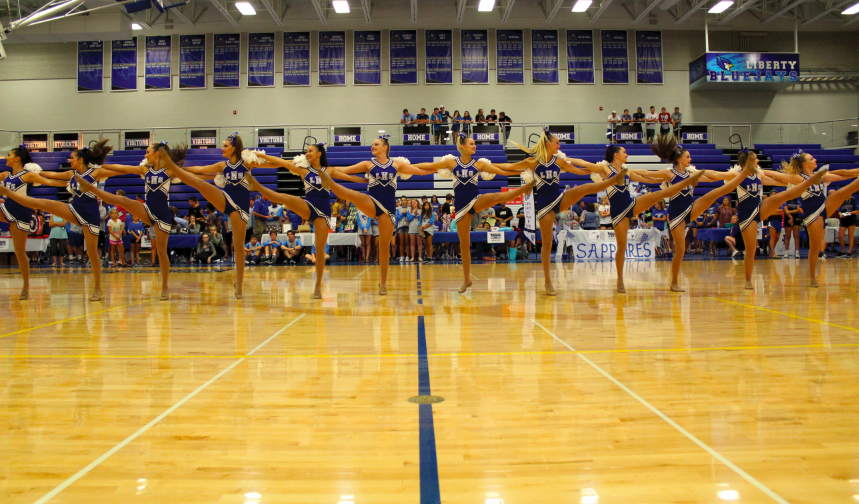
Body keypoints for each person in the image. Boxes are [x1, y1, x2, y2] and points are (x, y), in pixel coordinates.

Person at [493, 128, 637, 295]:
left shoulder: (559, 161)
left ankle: (609, 181)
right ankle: (547, 280)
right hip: (545, 205)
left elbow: (577, 170)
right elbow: (510, 166)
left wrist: (597, 171)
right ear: (548, 144)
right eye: (557, 143)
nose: (559, 145)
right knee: (547, 243)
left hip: (559, 198)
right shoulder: (534, 162)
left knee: (584, 188)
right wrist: (489, 165)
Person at [233, 143, 364, 299]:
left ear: (319, 153)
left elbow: (349, 177)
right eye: (306, 151)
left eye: (310, 151)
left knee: (320, 250)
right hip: (308, 205)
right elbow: (283, 162)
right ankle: (258, 187)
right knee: (286, 198)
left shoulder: (328, 171)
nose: (307, 153)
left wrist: (367, 181)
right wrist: (261, 155)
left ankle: (318, 285)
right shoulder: (303, 170)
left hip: (323, 211)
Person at [0, 140, 123, 301]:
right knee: (46, 203)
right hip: (73, 209)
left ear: (80, 159)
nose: (68, 160)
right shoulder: (71, 174)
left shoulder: (94, 173)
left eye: (72, 158)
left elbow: (117, 172)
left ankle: (98, 287)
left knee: (92, 253)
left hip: (89, 214)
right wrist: (38, 171)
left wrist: (139, 170)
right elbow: (51, 176)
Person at [414, 134, 535, 290]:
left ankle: (526, 187)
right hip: (461, 207)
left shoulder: (479, 164)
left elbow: (502, 171)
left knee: (499, 196)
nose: (474, 145)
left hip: (475, 200)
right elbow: (430, 165)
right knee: (464, 244)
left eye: (475, 143)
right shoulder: (452, 162)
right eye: (472, 143)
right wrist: (411, 166)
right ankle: (466, 279)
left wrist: (522, 172)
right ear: (463, 146)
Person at [320, 135, 433, 293]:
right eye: (372, 144)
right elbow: (345, 170)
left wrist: (442, 167)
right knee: (354, 195)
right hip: (371, 201)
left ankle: (383, 283)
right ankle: (329, 182)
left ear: (385, 147)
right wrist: (323, 168)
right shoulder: (368, 164)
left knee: (384, 247)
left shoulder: (396, 164)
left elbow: (419, 171)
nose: (372, 147)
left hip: (388, 208)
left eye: (376, 144)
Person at [644, 134, 756, 290]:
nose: (690, 159)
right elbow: (647, 174)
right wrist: (626, 172)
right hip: (676, 216)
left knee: (714, 193)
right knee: (680, 250)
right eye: (688, 157)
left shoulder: (691, 174)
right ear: (680, 160)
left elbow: (712, 178)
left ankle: (740, 176)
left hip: (690, 210)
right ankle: (674, 282)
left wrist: (733, 175)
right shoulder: (669, 174)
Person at [79, 143, 189, 298]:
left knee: (162, 252)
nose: (145, 155)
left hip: (163, 215)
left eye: (148, 152)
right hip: (147, 210)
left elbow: (192, 173)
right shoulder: (145, 170)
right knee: (123, 200)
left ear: (157, 154)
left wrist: (215, 173)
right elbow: (122, 168)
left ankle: (165, 285)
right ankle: (95, 191)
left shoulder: (169, 172)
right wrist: (101, 166)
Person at [158, 133, 258, 299]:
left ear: (234, 148)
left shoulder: (247, 164)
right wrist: (177, 170)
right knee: (200, 183)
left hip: (241, 207)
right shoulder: (223, 165)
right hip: (226, 200)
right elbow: (200, 170)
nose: (222, 148)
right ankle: (174, 169)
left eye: (225, 146)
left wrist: (290, 164)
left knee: (238, 244)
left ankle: (239, 284)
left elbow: (269, 163)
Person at [596, 144, 705, 293]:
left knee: (657, 195)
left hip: (631, 204)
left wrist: (663, 181)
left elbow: (645, 177)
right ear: (616, 155)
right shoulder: (605, 169)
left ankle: (674, 282)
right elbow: (586, 166)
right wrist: (565, 160)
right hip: (618, 211)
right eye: (624, 152)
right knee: (622, 246)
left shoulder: (627, 171)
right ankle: (620, 279)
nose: (627, 154)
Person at [730, 148, 827, 289]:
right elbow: (718, 174)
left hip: (759, 209)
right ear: (749, 161)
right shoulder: (736, 174)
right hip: (746, 215)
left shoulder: (759, 175)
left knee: (780, 196)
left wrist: (792, 181)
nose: (758, 160)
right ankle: (748, 280)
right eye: (756, 158)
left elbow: (776, 181)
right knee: (750, 250)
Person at [762, 149, 859, 286]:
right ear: (805, 164)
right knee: (815, 246)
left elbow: (844, 174)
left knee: (845, 190)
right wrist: (757, 170)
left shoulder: (820, 176)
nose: (815, 160)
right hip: (812, 213)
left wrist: (856, 172)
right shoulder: (798, 178)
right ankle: (812, 276)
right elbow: (778, 175)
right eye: (812, 159)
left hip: (824, 206)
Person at [0, 146, 69, 297]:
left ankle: (26, 286)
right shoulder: (5, 175)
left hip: (20, 215)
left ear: (17, 158)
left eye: (9, 155)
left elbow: (49, 182)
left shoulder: (27, 176)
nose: (6, 157)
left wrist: (71, 185)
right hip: (6, 210)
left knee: (19, 253)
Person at [766, 191, 784, 259]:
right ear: (770, 195)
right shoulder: (768, 203)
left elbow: (782, 211)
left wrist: (773, 211)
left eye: (775, 194)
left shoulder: (780, 202)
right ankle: (773, 253)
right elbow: (768, 213)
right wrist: (775, 212)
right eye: (772, 194)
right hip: (772, 221)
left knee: (777, 238)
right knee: (772, 238)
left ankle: (771, 252)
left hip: (778, 221)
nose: (773, 195)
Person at [396, 197, 410, 262]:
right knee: (401, 242)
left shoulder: (409, 208)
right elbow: (397, 217)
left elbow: (410, 217)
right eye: (402, 200)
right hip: (400, 226)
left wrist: (406, 213)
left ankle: (407, 256)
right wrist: (402, 214)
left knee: (407, 242)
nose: (403, 201)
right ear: (400, 201)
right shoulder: (398, 208)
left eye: (404, 200)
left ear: (406, 201)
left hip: (407, 226)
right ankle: (401, 256)